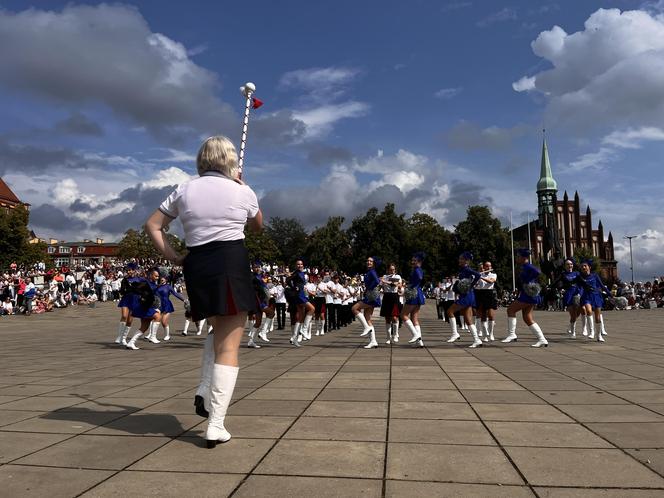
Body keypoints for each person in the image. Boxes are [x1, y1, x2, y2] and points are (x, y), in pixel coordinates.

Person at [145, 135, 262, 448]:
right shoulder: (242, 189)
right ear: (230, 161)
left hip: (197, 263)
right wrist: (242, 187)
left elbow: (153, 225)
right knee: (230, 345)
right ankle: (216, 423)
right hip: (229, 260)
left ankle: (203, 388)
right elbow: (258, 226)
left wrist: (172, 255)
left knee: (216, 329)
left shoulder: (185, 188)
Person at [502, 248, 548, 347]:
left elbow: (537, 271)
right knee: (527, 317)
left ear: (523, 258)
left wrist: (530, 283)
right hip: (527, 294)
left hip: (528, 295)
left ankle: (512, 334)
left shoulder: (528, 266)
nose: (516, 258)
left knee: (510, 310)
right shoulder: (524, 267)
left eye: (518, 256)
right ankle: (542, 339)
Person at [445, 252, 483, 348]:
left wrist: (470, 285)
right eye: (459, 258)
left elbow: (478, 275)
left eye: (461, 259)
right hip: (467, 295)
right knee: (467, 318)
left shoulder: (467, 269)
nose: (459, 260)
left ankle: (455, 333)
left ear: (466, 261)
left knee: (450, 311)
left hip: (466, 295)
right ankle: (477, 339)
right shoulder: (463, 270)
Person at [352, 257, 381, 349]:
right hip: (370, 295)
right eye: (368, 261)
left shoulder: (372, 271)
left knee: (354, 308)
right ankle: (373, 341)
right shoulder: (369, 272)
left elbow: (377, 281)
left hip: (371, 296)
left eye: (371, 261)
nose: (368, 262)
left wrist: (370, 288)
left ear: (374, 263)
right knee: (367, 318)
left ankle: (366, 328)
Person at [578, 259, 610, 342]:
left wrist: (610, 294)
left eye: (585, 266)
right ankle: (591, 332)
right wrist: (579, 294)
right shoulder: (580, 277)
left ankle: (599, 335)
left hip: (596, 296)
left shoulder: (595, 275)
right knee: (588, 311)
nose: (583, 267)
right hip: (586, 296)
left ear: (589, 267)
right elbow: (580, 287)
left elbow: (602, 286)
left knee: (598, 317)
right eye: (582, 266)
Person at [552, 258, 583, 338]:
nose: (570, 265)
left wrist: (581, 292)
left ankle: (571, 325)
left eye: (571, 264)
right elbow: (556, 282)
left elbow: (582, 283)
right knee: (572, 314)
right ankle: (573, 333)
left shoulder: (577, 273)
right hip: (568, 295)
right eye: (568, 264)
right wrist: (558, 288)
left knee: (578, 312)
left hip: (577, 294)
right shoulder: (563, 274)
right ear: (565, 266)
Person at [400, 252, 426, 347]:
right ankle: (419, 342)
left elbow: (419, 277)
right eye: (412, 260)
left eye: (414, 260)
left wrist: (412, 286)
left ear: (419, 261)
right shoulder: (418, 269)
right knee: (414, 318)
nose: (412, 262)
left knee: (403, 315)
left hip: (414, 294)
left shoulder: (417, 269)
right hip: (418, 293)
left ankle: (416, 335)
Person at [287, 260, 314, 347]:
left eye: (301, 264)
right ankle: (304, 330)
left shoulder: (302, 273)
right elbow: (288, 280)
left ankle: (295, 338)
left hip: (302, 294)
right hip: (299, 295)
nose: (300, 265)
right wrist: (294, 287)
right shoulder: (296, 273)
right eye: (298, 264)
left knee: (300, 317)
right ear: (296, 265)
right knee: (312, 309)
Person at [114, 263, 140, 346]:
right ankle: (120, 336)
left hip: (135, 300)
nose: (129, 272)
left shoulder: (139, 280)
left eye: (130, 270)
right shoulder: (124, 280)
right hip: (126, 299)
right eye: (128, 270)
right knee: (124, 316)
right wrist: (124, 290)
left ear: (134, 270)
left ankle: (124, 338)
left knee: (129, 320)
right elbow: (121, 291)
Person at [156, 275, 186, 341]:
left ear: (166, 280)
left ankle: (167, 335)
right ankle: (151, 335)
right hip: (159, 305)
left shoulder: (168, 287)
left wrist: (183, 300)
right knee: (154, 320)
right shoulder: (158, 286)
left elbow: (176, 294)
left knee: (163, 321)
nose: (161, 280)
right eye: (161, 279)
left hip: (167, 305)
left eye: (163, 279)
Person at [476, 261, 498, 342]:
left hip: (490, 294)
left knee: (491, 315)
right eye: (487, 266)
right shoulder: (479, 274)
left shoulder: (493, 274)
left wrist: (480, 277)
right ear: (484, 267)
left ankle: (491, 333)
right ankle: (485, 335)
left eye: (490, 266)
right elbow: (476, 285)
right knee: (483, 316)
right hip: (481, 294)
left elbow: (491, 282)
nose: (488, 267)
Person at [380, 263, 402, 344]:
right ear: (388, 269)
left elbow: (397, 285)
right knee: (387, 318)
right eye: (390, 269)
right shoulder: (385, 276)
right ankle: (388, 338)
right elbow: (381, 286)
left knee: (395, 317)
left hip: (394, 296)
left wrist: (385, 281)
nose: (392, 271)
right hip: (386, 296)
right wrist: (380, 283)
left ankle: (395, 335)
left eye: (393, 269)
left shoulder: (397, 277)